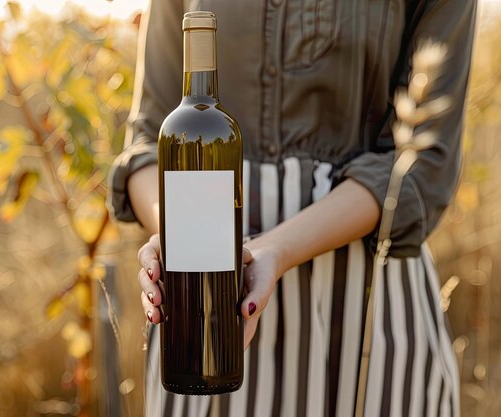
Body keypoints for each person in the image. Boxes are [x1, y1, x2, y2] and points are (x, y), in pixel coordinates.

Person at [108, 0, 476, 416]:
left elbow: (426, 164)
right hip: (201, 318)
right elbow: (145, 146)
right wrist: (181, 239)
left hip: (363, 307)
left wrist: (274, 251)